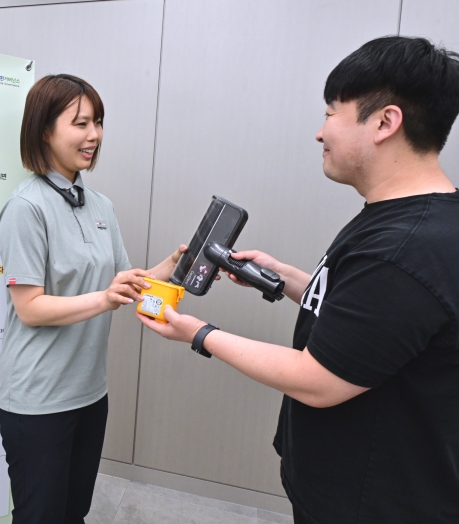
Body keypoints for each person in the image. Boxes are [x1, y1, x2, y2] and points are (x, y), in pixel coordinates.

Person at [140, 36, 459, 524]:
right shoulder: (408, 221)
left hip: (369, 503)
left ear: (385, 122)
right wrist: (286, 277)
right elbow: (369, 317)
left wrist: (198, 333)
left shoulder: (403, 248)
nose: (319, 132)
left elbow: (318, 380)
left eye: (331, 113)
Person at [0, 74, 184, 524]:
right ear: (44, 130)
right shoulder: (26, 208)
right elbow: (30, 308)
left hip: (90, 393)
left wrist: (177, 262)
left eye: (97, 122)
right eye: (80, 123)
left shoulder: (100, 205)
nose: (94, 135)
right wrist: (104, 299)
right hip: (38, 400)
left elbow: (126, 282)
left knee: (74, 513)